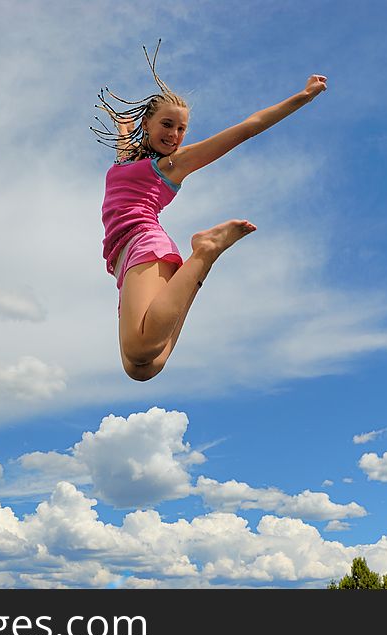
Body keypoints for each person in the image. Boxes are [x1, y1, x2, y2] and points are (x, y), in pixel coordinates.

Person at [94, 42, 327, 381]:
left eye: (181, 129)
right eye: (167, 124)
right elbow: (125, 135)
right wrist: (122, 125)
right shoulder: (126, 158)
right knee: (142, 369)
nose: (174, 135)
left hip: (144, 242)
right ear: (148, 123)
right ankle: (198, 269)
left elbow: (247, 128)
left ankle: (207, 250)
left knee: (139, 350)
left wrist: (303, 97)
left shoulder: (172, 165)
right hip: (122, 255)